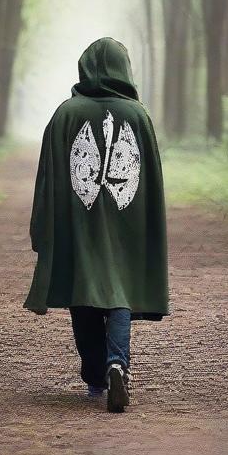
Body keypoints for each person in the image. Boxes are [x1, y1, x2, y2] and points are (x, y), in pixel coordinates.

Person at [25, 37, 169, 413]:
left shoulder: (66, 114)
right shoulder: (138, 116)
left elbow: (47, 177)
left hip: (78, 221)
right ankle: (117, 363)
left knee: (84, 292)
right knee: (118, 292)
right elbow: (151, 182)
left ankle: (94, 377)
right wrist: (150, 232)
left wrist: (41, 226)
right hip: (126, 224)